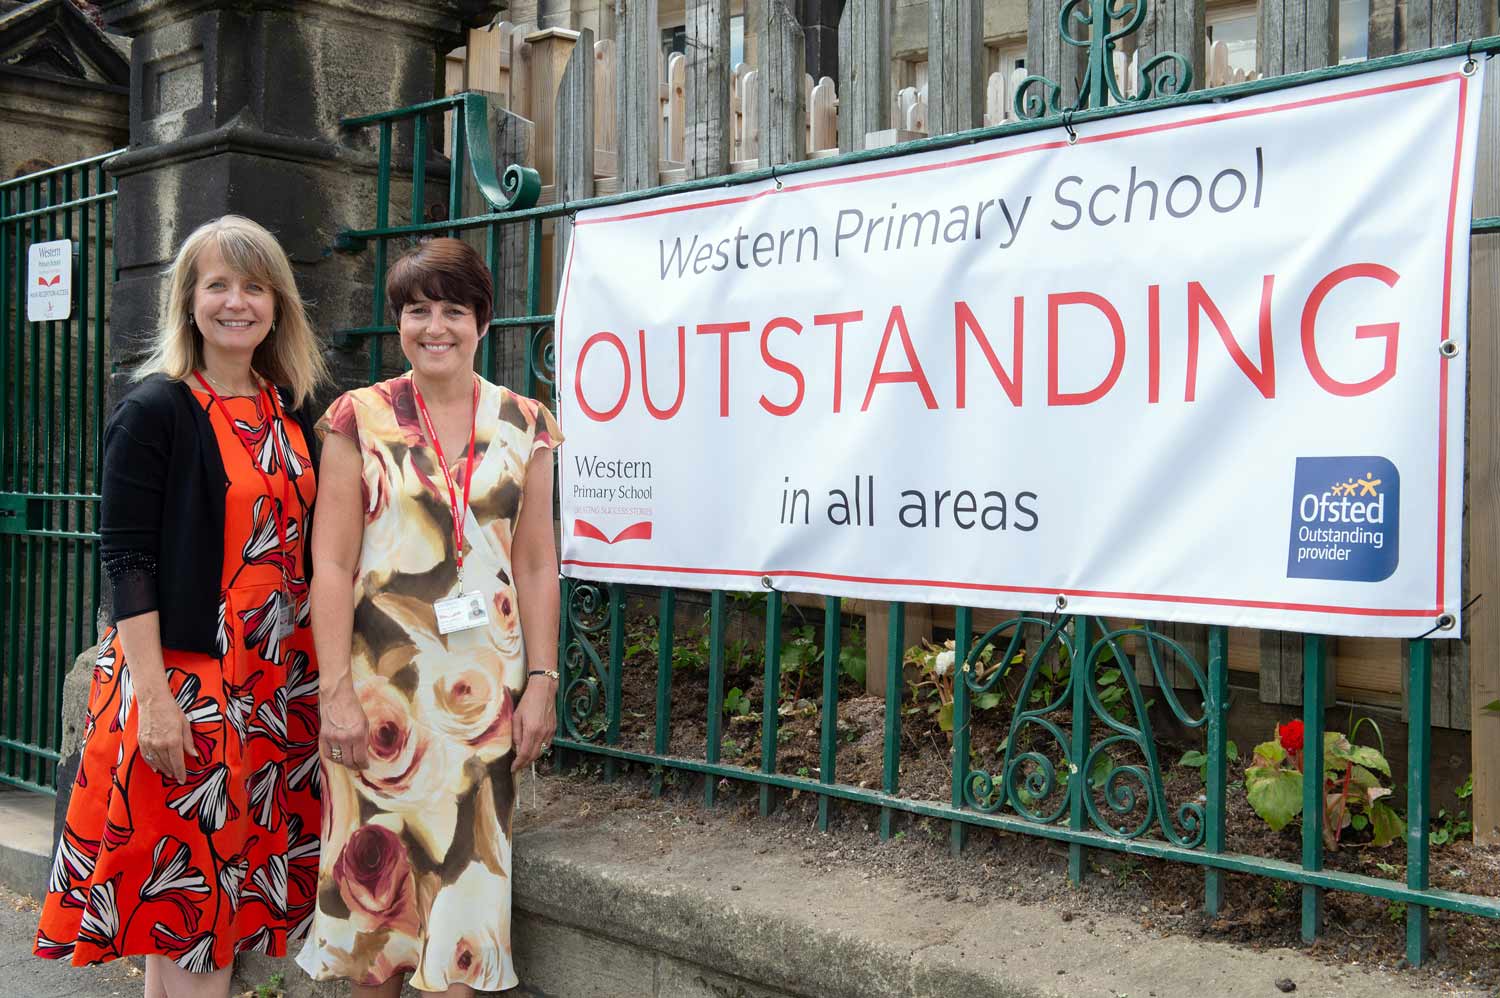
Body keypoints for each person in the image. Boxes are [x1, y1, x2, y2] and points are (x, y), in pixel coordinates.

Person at [34, 215, 328, 997]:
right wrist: (157, 704)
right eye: (219, 285)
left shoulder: (292, 409)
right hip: (191, 689)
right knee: (193, 913)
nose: (238, 302)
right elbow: (127, 561)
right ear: (189, 301)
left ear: (278, 302)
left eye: (255, 285)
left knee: (202, 922)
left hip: (276, 692)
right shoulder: (156, 410)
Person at [296, 237, 562, 996]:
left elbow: (537, 563)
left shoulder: (527, 424)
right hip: (377, 705)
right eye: (418, 309)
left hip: (481, 709)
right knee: (377, 922)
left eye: (454, 309)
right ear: (399, 321)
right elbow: (334, 567)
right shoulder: (359, 418)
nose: (434, 326)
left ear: (483, 320)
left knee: (465, 916)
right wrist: (336, 694)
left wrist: (541, 682)